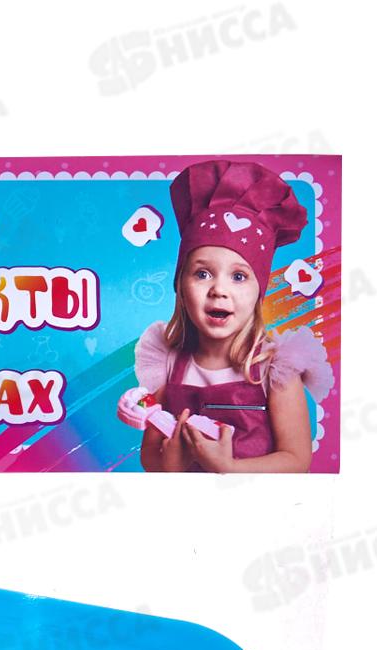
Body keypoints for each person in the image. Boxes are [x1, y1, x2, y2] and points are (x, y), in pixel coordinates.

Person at [132, 160, 333, 473]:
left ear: (258, 292)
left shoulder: (273, 369)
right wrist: (170, 463)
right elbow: (149, 455)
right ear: (180, 285)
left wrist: (228, 468)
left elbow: (296, 460)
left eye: (239, 277)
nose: (219, 290)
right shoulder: (168, 364)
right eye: (202, 274)